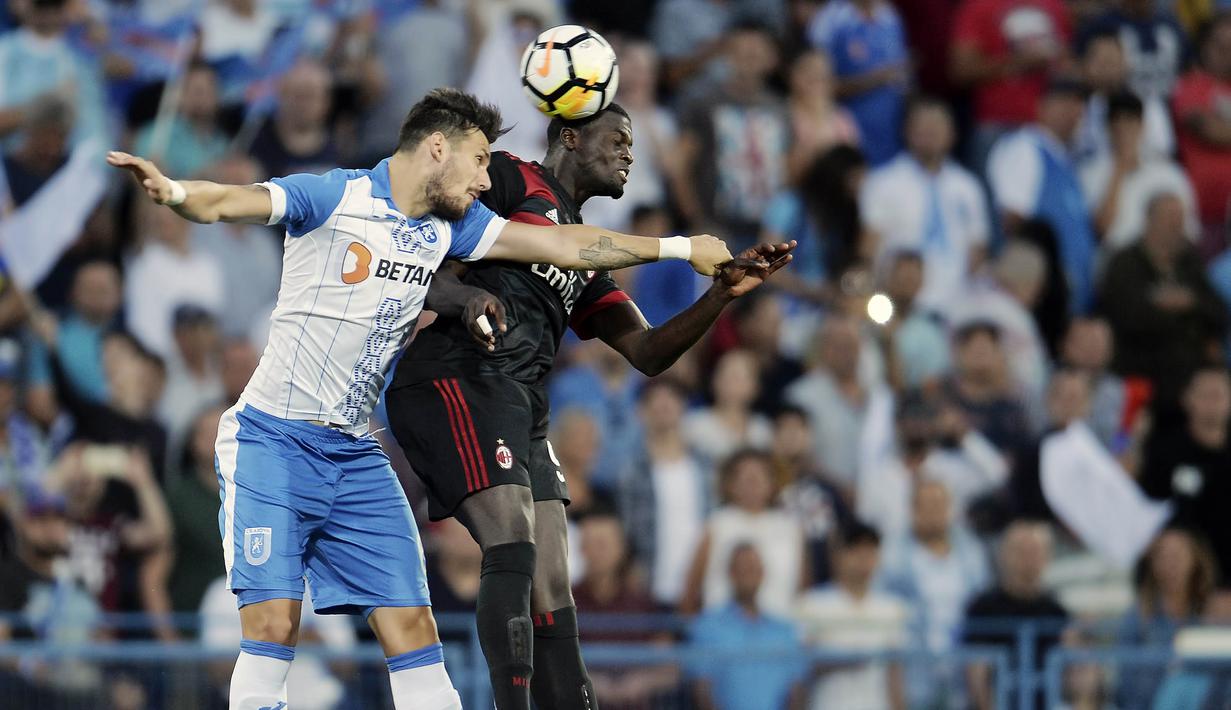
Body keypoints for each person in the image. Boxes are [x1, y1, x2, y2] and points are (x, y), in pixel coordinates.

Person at [106, 87, 735, 710]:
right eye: (482, 160)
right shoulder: (334, 196)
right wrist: (176, 193)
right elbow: (228, 202)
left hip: (353, 452)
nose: (487, 180)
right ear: (439, 148)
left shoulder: (451, 231)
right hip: (272, 440)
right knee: (273, 629)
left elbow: (565, 247)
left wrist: (677, 248)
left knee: (415, 634)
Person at [384, 101, 787, 709]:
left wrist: (720, 295)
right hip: (460, 376)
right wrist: (465, 297)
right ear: (569, 136)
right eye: (618, 139)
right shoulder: (511, 177)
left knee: (553, 581)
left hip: (522, 403)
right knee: (512, 540)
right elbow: (418, 255)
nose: (629, 154)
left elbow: (648, 352)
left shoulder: (587, 260)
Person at [861, 96, 991, 312]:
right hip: (898, 303)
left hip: (955, 304)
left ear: (953, 133)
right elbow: (868, 247)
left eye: (937, 126)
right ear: (907, 131)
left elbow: (977, 248)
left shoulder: (968, 187)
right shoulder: (882, 182)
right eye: (923, 126)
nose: (930, 133)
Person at [1099, 192, 1228, 405]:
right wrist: (1181, 311)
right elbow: (1125, 316)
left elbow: (1219, 312)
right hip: (1142, 378)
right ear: (1150, 219)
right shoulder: (1124, 262)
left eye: (1181, 219)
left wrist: (1189, 302)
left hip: (1192, 383)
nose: (1177, 225)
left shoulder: (1190, 262)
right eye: (1170, 218)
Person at [987, 78, 1097, 313]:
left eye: (1079, 104)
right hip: (1039, 295)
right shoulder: (1026, 147)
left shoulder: (1066, 160)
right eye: (1065, 102)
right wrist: (1035, 284)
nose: (1073, 111)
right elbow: (1012, 220)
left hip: (1069, 298)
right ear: (1042, 107)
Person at [878, 480, 990, 709]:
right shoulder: (892, 554)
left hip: (961, 667)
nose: (933, 512)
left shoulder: (971, 551)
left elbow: (983, 605)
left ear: (950, 508)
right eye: (926, 505)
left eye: (939, 504)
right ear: (913, 509)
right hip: (914, 667)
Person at [619, 378, 713, 608]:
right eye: (654, 400)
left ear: (684, 408)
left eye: (671, 398)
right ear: (641, 411)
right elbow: (626, 527)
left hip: (702, 589)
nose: (663, 405)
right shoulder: (631, 472)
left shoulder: (705, 467)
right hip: (650, 585)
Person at [795, 521, 908, 710]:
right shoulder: (811, 605)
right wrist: (841, 661)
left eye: (870, 551)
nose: (863, 558)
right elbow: (799, 671)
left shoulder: (892, 608)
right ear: (837, 555)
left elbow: (895, 676)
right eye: (855, 550)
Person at [681, 449, 806, 617]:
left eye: (759, 476)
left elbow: (802, 589)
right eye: (745, 477)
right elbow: (691, 588)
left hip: (777, 632)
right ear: (730, 485)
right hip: (723, 633)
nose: (752, 482)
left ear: (772, 483)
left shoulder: (790, 528)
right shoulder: (717, 524)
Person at [687, 543, 809, 710]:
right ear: (731, 573)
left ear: (762, 573)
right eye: (743, 568)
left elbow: (796, 691)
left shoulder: (784, 631)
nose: (749, 574)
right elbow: (702, 690)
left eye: (754, 568)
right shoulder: (708, 626)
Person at [963, 519, 1069, 710]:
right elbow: (976, 672)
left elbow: (1073, 671)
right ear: (1003, 555)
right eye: (1021, 551)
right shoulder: (983, 608)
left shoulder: (1057, 612)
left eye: (1035, 551)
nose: (1028, 559)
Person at [1139, 367, 1231, 585]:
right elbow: (1149, 513)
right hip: (1180, 577)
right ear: (1186, 399)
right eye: (1205, 395)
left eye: (1219, 395)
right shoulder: (1164, 452)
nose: (1212, 402)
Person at [1079, 91, 1198, 250]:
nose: (1123, 129)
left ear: (1142, 126)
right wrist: (1119, 170)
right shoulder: (1090, 173)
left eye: (1130, 120)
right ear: (1108, 128)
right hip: (1115, 262)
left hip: (1163, 260)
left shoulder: (1169, 174)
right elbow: (1100, 229)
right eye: (1116, 122)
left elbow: (1189, 233)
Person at [1115, 527, 1218, 709]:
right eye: (1164, 557)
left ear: (1194, 559)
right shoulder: (1139, 615)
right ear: (1153, 564)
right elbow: (1126, 681)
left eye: (1178, 556)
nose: (1172, 565)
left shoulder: (1211, 611)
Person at [807, 0, 909, 165]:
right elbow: (813, 83)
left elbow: (901, 75)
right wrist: (875, 79)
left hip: (891, 130)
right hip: (846, 132)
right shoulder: (828, 21)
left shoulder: (890, 15)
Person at [1171, 11, 1231, 234]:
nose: (1225, 52)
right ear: (1205, 46)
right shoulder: (1191, 86)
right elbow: (1207, 128)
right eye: (1219, 45)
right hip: (1205, 214)